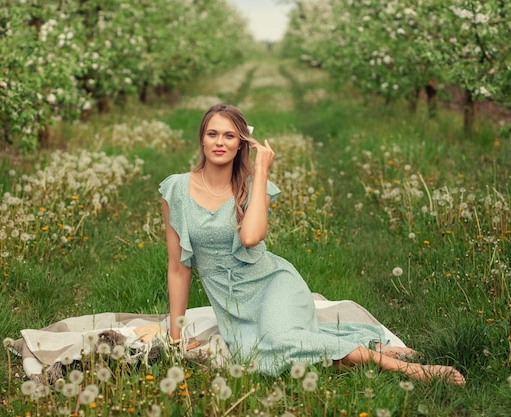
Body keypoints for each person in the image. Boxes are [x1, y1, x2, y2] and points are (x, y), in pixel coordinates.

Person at [159, 104, 465, 384]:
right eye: (212, 134)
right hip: (231, 305)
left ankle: (407, 369)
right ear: (202, 139)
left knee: (281, 341)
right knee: (258, 360)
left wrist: (262, 170)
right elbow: (178, 267)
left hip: (272, 285)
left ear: (241, 144)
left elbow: (251, 237)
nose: (220, 142)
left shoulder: (255, 184)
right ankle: (360, 344)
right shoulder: (177, 189)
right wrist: (175, 336)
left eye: (229, 135)